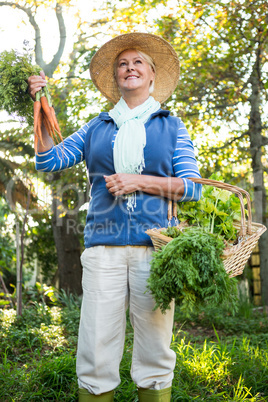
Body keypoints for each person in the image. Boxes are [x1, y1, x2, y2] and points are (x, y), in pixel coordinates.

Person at [28, 32, 202, 402]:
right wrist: (40, 105)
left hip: (156, 250)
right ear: (116, 77)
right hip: (103, 247)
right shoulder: (97, 127)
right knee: (95, 344)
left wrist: (138, 181)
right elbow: (47, 161)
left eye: (138, 61)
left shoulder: (172, 127)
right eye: (122, 63)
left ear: (152, 74)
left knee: (155, 346)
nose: (129, 67)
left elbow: (193, 188)